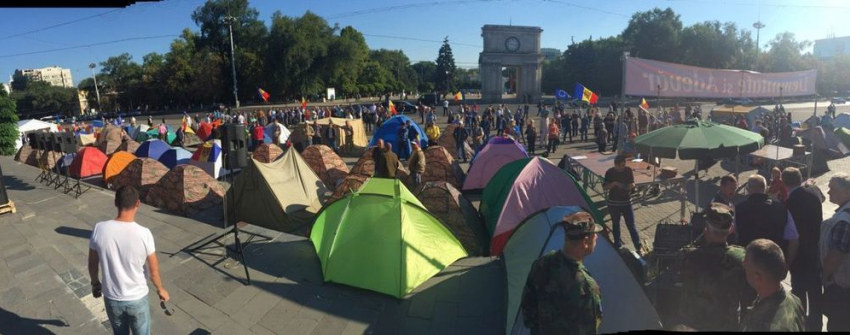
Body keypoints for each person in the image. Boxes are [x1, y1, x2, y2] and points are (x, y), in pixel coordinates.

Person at [89, 186, 169, 335]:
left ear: (115, 203)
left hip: (112, 298)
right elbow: (153, 272)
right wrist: (160, 289)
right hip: (137, 298)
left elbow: (92, 264)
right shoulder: (144, 234)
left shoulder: (99, 229)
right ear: (138, 203)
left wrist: (95, 284)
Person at [520, 212, 603, 335]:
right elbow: (590, 329)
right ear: (585, 241)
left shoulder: (541, 263)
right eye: (594, 235)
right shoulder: (587, 287)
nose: (596, 237)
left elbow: (528, 315)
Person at [680, 203, 751, 331]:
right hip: (728, 324)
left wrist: (702, 238)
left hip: (695, 324)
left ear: (706, 228)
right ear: (730, 230)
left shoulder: (691, 256)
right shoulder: (742, 256)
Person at [782, 167, 825, 331]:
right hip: (816, 251)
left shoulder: (790, 203)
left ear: (784, 184)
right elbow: (822, 198)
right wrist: (808, 184)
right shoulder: (814, 191)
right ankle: (816, 326)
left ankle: (800, 325)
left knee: (798, 293)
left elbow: (792, 235)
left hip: (799, 255)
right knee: (815, 293)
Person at [741, 239, 806, 331]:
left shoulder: (772, 326)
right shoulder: (793, 300)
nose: (743, 266)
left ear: (757, 278)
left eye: (746, 266)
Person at [734, 175, 799, 264]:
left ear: (748, 188)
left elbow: (732, 234)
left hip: (747, 262)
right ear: (765, 189)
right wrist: (786, 265)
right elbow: (793, 239)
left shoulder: (738, 208)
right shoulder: (781, 209)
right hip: (773, 263)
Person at [821, 173, 850, 331]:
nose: (828, 192)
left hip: (842, 288)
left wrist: (825, 276)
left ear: (847, 193)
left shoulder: (843, 221)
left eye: (832, 189)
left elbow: (835, 257)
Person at [603, 155, 642, 252]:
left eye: (624, 165)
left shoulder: (628, 170)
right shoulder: (609, 172)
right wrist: (614, 183)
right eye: (621, 166)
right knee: (616, 225)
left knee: (631, 225)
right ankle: (617, 244)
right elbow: (604, 187)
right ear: (616, 165)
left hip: (626, 202)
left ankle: (638, 245)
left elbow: (632, 183)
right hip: (614, 203)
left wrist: (629, 186)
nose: (623, 168)